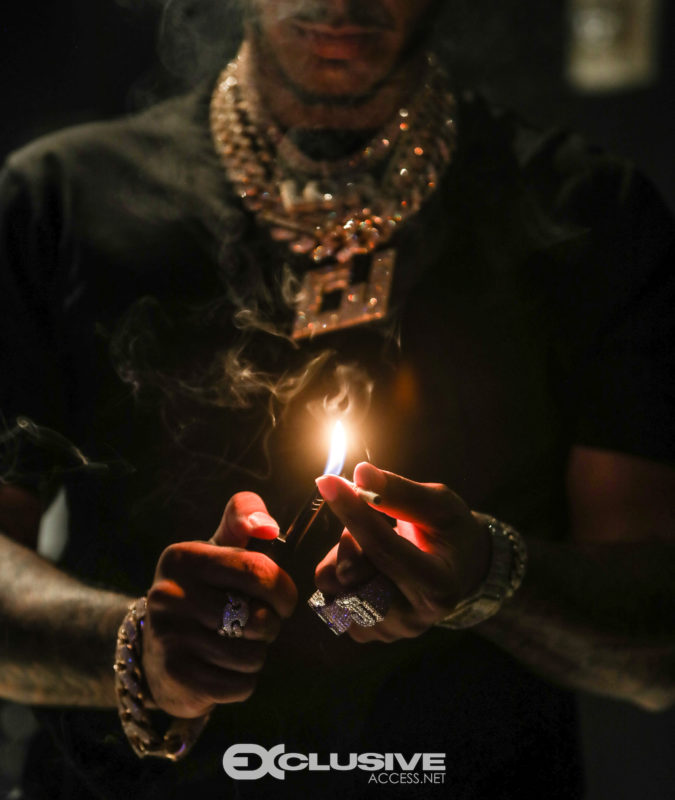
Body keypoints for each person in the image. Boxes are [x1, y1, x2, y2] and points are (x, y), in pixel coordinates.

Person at [1, 1, 674, 797]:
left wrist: (487, 576)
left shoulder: (587, 211)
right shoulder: (59, 200)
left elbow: (653, 652)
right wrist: (140, 647)